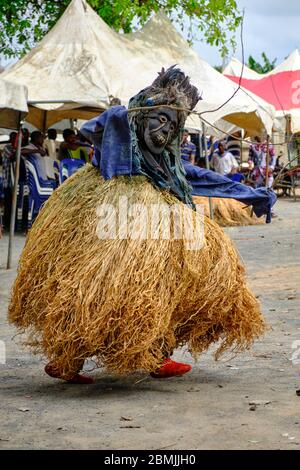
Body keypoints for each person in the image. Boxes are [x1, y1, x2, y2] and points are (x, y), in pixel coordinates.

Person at [9, 66, 266, 384]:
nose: (164, 133)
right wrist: (117, 118)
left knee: (180, 277)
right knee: (100, 284)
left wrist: (247, 193)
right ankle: (69, 358)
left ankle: (157, 355)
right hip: (112, 209)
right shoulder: (121, 128)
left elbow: (191, 174)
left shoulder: (164, 154)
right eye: (160, 121)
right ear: (142, 114)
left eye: (173, 125)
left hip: (156, 212)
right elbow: (91, 129)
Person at [1, 132, 17, 230]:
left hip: (14, 181)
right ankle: (6, 224)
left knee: (13, 203)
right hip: (7, 180)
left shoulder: (16, 148)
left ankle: (12, 223)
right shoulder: (7, 147)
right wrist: (16, 148)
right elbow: (12, 157)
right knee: (7, 204)